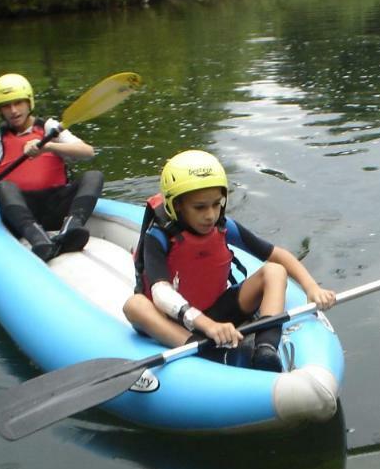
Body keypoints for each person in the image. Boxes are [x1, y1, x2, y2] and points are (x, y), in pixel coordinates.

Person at [124, 149, 335, 373]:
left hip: (215, 311)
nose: (210, 215)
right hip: (173, 320)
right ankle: (207, 351)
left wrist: (312, 287)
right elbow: (161, 293)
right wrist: (208, 326)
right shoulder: (158, 236)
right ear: (177, 205)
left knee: (274, 270)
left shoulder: (223, 226)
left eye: (216, 204)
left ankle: (265, 349)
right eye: (200, 207)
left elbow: (278, 255)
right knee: (134, 305)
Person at [0, 73, 104, 261]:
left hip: (57, 205)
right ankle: (39, 239)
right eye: (6, 105)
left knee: (94, 175)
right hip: (22, 213)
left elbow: (88, 151)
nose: (13, 110)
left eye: (18, 103)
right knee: (2, 186)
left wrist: (48, 146)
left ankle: (72, 227)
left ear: (29, 103)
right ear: (0, 110)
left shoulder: (50, 128)